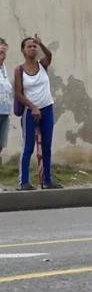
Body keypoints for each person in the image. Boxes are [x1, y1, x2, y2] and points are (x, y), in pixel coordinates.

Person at [11, 34, 61, 189]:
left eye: (34, 46)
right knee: (28, 147)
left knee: (46, 146)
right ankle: (24, 182)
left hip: (47, 108)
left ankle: (47, 180)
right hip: (29, 111)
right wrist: (33, 107)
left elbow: (50, 55)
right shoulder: (19, 70)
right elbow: (18, 93)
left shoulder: (43, 65)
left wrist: (42, 44)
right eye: (29, 46)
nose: (32, 49)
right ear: (23, 51)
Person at [0, 39, 11, 171]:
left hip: (4, 112)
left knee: (1, 145)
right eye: (1, 52)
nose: (3, 56)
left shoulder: (4, 69)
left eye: (4, 52)